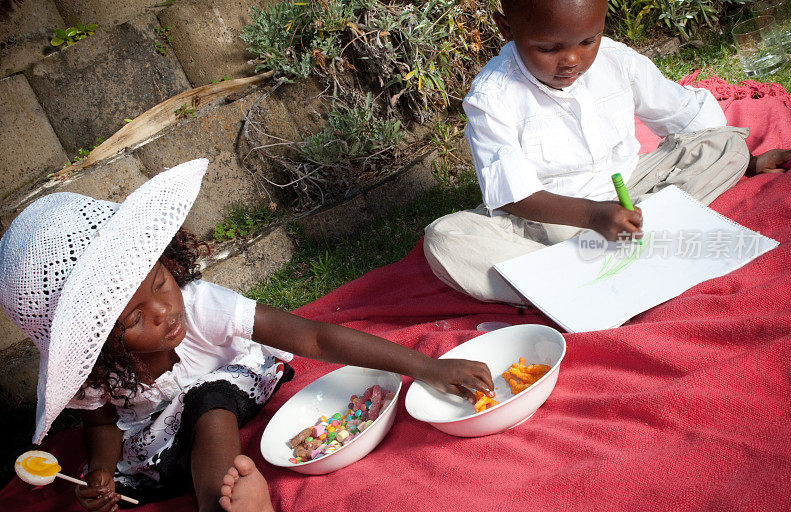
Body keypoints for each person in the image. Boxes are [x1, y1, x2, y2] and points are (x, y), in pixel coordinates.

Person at [0, 159, 493, 512]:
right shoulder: (98, 375)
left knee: (208, 403)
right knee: (187, 431)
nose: (163, 311)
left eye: (160, 283)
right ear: (99, 344)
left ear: (168, 261)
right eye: (132, 320)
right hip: (157, 443)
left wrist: (428, 367)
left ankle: (225, 506)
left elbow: (316, 339)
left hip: (229, 389)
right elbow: (101, 426)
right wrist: (102, 473)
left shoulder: (199, 306)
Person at [423, 0, 791, 306]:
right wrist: (592, 215)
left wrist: (744, 162)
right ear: (507, 28)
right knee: (446, 240)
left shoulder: (618, 61)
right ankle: (576, 279)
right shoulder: (492, 97)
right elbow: (516, 197)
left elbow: (689, 118)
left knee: (726, 144)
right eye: (549, 48)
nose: (571, 60)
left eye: (588, 40)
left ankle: (616, 248)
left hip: (634, 191)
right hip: (545, 224)